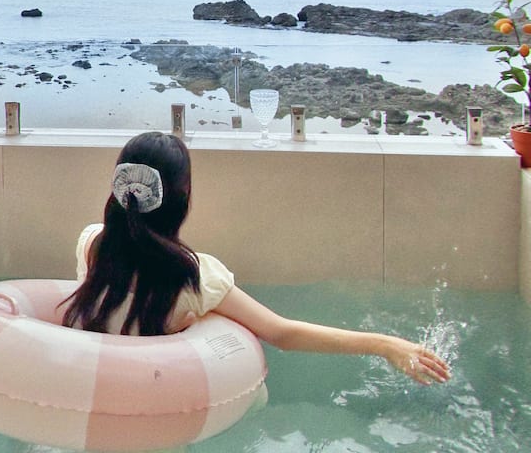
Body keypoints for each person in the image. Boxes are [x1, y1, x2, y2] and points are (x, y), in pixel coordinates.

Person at [62, 131, 451, 386]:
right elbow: (282, 333)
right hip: (162, 412)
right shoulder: (196, 278)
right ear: (183, 197)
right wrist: (386, 345)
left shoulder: (91, 245)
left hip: (91, 399)